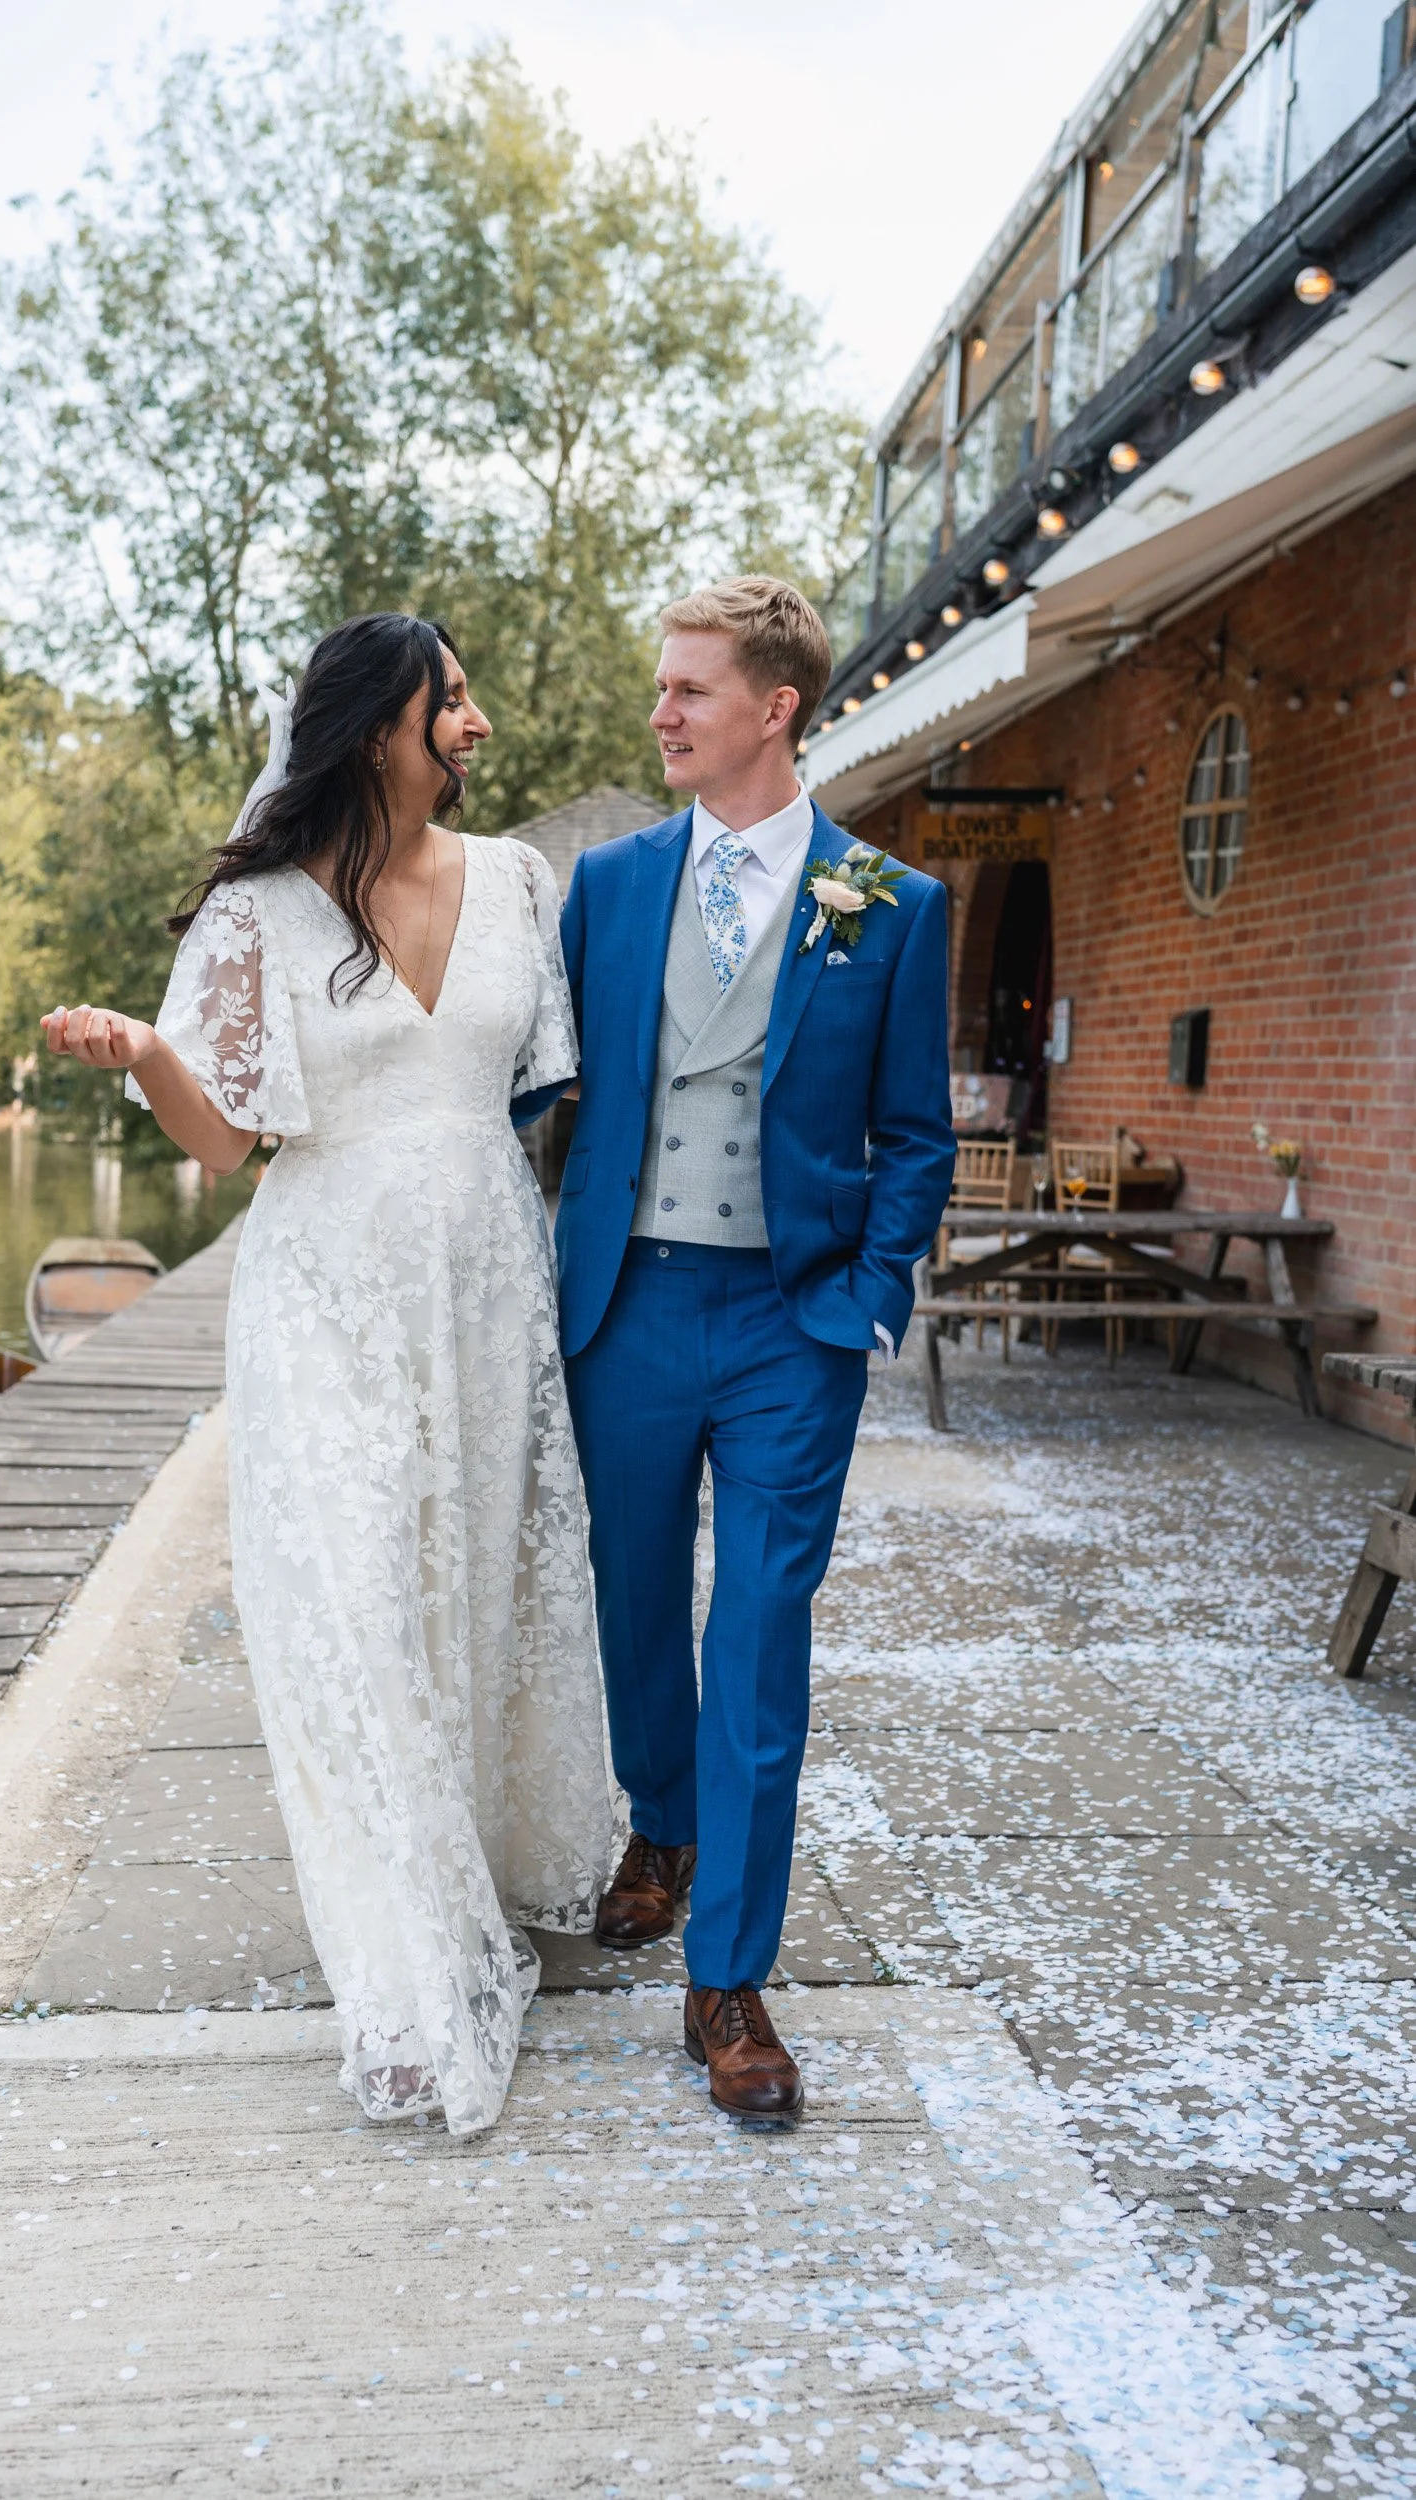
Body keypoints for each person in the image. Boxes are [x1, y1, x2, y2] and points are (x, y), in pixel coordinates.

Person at [41, 615, 614, 2136]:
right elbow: (228, 1143)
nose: (475, 721)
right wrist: (139, 1050)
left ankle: (462, 1871)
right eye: (454, 698)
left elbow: (545, 1093)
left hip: (484, 1284)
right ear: (381, 728)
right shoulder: (256, 914)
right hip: (328, 1294)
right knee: (353, 1612)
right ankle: (413, 1975)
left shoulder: (516, 883)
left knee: (464, 1590)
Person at [557, 577, 955, 2122]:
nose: (660, 712)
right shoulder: (606, 886)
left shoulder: (888, 905)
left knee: (761, 1637)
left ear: (773, 707)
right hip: (631, 1303)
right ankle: (661, 1816)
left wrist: (865, 1292)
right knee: (639, 1599)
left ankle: (726, 1975)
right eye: (661, 687)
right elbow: (543, 1084)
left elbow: (912, 1133)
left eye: (689, 690)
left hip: (794, 1325)